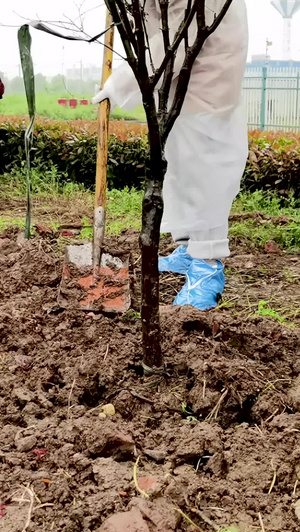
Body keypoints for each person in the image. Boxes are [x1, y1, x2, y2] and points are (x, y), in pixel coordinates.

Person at [93, 0, 248, 311]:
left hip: (205, 75)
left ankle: (207, 263)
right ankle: (191, 248)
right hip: (184, 79)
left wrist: (120, 82)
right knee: (180, 163)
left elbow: (176, 35)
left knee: (203, 166)